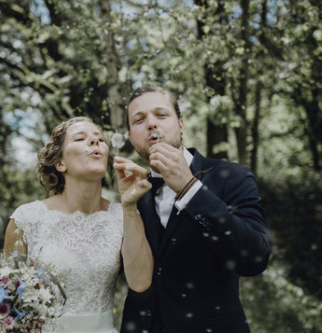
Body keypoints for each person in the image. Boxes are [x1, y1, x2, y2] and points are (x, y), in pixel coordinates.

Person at [116, 86, 273, 333]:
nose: (150, 124)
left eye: (161, 115)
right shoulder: (133, 193)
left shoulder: (232, 176)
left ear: (180, 124)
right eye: (139, 120)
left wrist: (190, 190)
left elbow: (255, 258)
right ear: (130, 135)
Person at [4, 117, 154, 333]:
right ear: (60, 163)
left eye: (100, 140)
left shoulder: (123, 216)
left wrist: (129, 206)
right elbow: (8, 305)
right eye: (81, 138)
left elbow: (140, 283)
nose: (95, 143)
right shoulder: (26, 219)